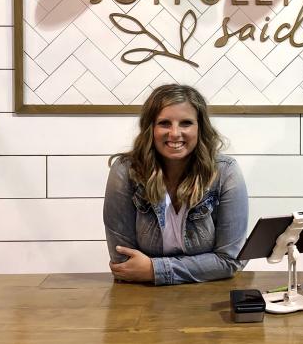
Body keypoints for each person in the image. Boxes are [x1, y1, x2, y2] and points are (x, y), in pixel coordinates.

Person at [103, 84, 249, 285]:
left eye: (186, 123)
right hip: (141, 300)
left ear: (200, 127)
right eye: (164, 123)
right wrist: (202, 267)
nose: (174, 133)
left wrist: (155, 270)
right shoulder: (125, 171)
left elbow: (230, 260)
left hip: (209, 299)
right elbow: (124, 264)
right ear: (150, 128)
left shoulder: (225, 172)